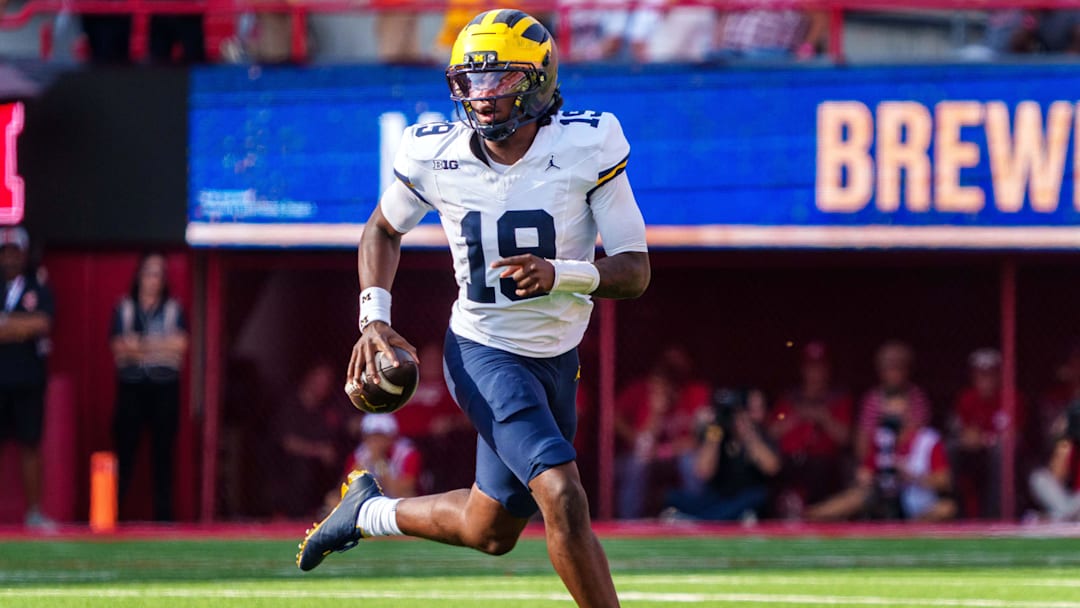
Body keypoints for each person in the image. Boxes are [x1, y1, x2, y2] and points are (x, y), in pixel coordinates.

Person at [297, 10, 651, 608]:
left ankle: (367, 512)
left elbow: (634, 270)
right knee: (563, 495)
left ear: (538, 82)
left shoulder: (587, 145)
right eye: (471, 80)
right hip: (484, 351)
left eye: (500, 80)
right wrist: (374, 316)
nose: (482, 96)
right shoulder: (436, 152)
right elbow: (382, 229)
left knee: (489, 529)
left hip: (557, 358)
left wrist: (561, 274)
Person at [110, 252, 188, 522]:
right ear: (139, 276)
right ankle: (112, 516)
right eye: (149, 273)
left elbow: (180, 346)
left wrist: (139, 345)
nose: (153, 280)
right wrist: (160, 345)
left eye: (158, 274)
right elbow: (119, 348)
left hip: (165, 389)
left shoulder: (173, 308)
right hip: (131, 388)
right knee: (124, 454)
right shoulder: (124, 307)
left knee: (163, 456)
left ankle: (164, 520)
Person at [806, 390, 956, 522]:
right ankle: (809, 515)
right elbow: (864, 473)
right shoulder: (881, 439)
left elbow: (944, 481)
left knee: (946, 508)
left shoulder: (928, 440)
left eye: (898, 414)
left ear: (908, 413)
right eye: (889, 414)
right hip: (885, 500)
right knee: (856, 496)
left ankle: (911, 527)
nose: (894, 419)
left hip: (920, 504)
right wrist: (868, 478)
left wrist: (911, 475)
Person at [0, 226, 56, 530]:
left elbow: (42, 323)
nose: (10, 258)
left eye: (15, 252)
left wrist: (8, 325)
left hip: (28, 381)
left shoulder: (38, 286)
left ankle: (34, 512)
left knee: (30, 445)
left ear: (24, 255)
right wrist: (20, 327)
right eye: (5, 253)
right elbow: (28, 325)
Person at [614, 345, 710, 518]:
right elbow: (643, 445)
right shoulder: (642, 392)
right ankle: (630, 523)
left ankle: (696, 517)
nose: (659, 390)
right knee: (637, 464)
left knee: (691, 462)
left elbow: (696, 440)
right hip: (644, 456)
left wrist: (662, 451)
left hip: (675, 455)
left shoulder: (696, 393)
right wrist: (656, 412)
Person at [664, 389, 780, 522]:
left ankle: (702, 521)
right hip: (718, 498)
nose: (732, 419)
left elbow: (772, 468)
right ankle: (712, 519)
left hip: (745, 499)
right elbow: (703, 472)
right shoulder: (715, 433)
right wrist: (715, 432)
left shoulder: (760, 434)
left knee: (758, 496)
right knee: (672, 497)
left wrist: (748, 435)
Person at [769, 341, 853, 515]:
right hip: (789, 463)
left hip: (824, 466)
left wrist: (823, 417)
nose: (815, 373)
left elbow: (845, 438)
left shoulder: (838, 398)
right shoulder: (790, 398)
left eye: (820, 368)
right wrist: (796, 417)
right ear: (803, 369)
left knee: (822, 471)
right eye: (811, 368)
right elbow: (772, 432)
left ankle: (813, 514)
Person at [949, 348, 1020, 519]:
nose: (986, 381)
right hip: (973, 455)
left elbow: (1013, 435)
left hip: (999, 456)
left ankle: (995, 515)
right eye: (981, 375)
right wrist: (968, 438)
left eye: (990, 375)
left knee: (1000, 451)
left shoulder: (1011, 398)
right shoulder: (966, 398)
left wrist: (985, 439)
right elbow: (961, 431)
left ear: (999, 376)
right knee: (951, 448)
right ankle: (956, 511)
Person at [269, 361, 342, 519]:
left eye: (327, 382)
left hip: (318, 473)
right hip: (286, 467)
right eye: (320, 380)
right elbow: (287, 443)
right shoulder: (290, 404)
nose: (323, 386)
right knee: (301, 467)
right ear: (309, 378)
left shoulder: (326, 409)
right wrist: (318, 451)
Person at [854, 341, 932, 461]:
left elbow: (921, 435)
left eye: (899, 368)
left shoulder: (917, 396)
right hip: (878, 459)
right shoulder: (872, 399)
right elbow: (863, 438)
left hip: (911, 461)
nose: (895, 374)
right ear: (881, 371)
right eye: (889, 368)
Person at [342, 414, 424, 499]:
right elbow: (347, 490)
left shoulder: (407, 454)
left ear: (391, 437)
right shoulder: (358, 455)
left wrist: (380, 463)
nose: (375, 442)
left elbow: (400, 492)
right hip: (371, 500)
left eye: (380, 436)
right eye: (371, 436)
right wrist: (361, 466)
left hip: (397, 501)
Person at [1028, 401, 1080, 522]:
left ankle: (1052, 518)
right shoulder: (1069, 444)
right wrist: (1064, 440)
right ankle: (1065, 516)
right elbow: (1057, 476)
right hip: (1072, 501)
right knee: (1039, 478)